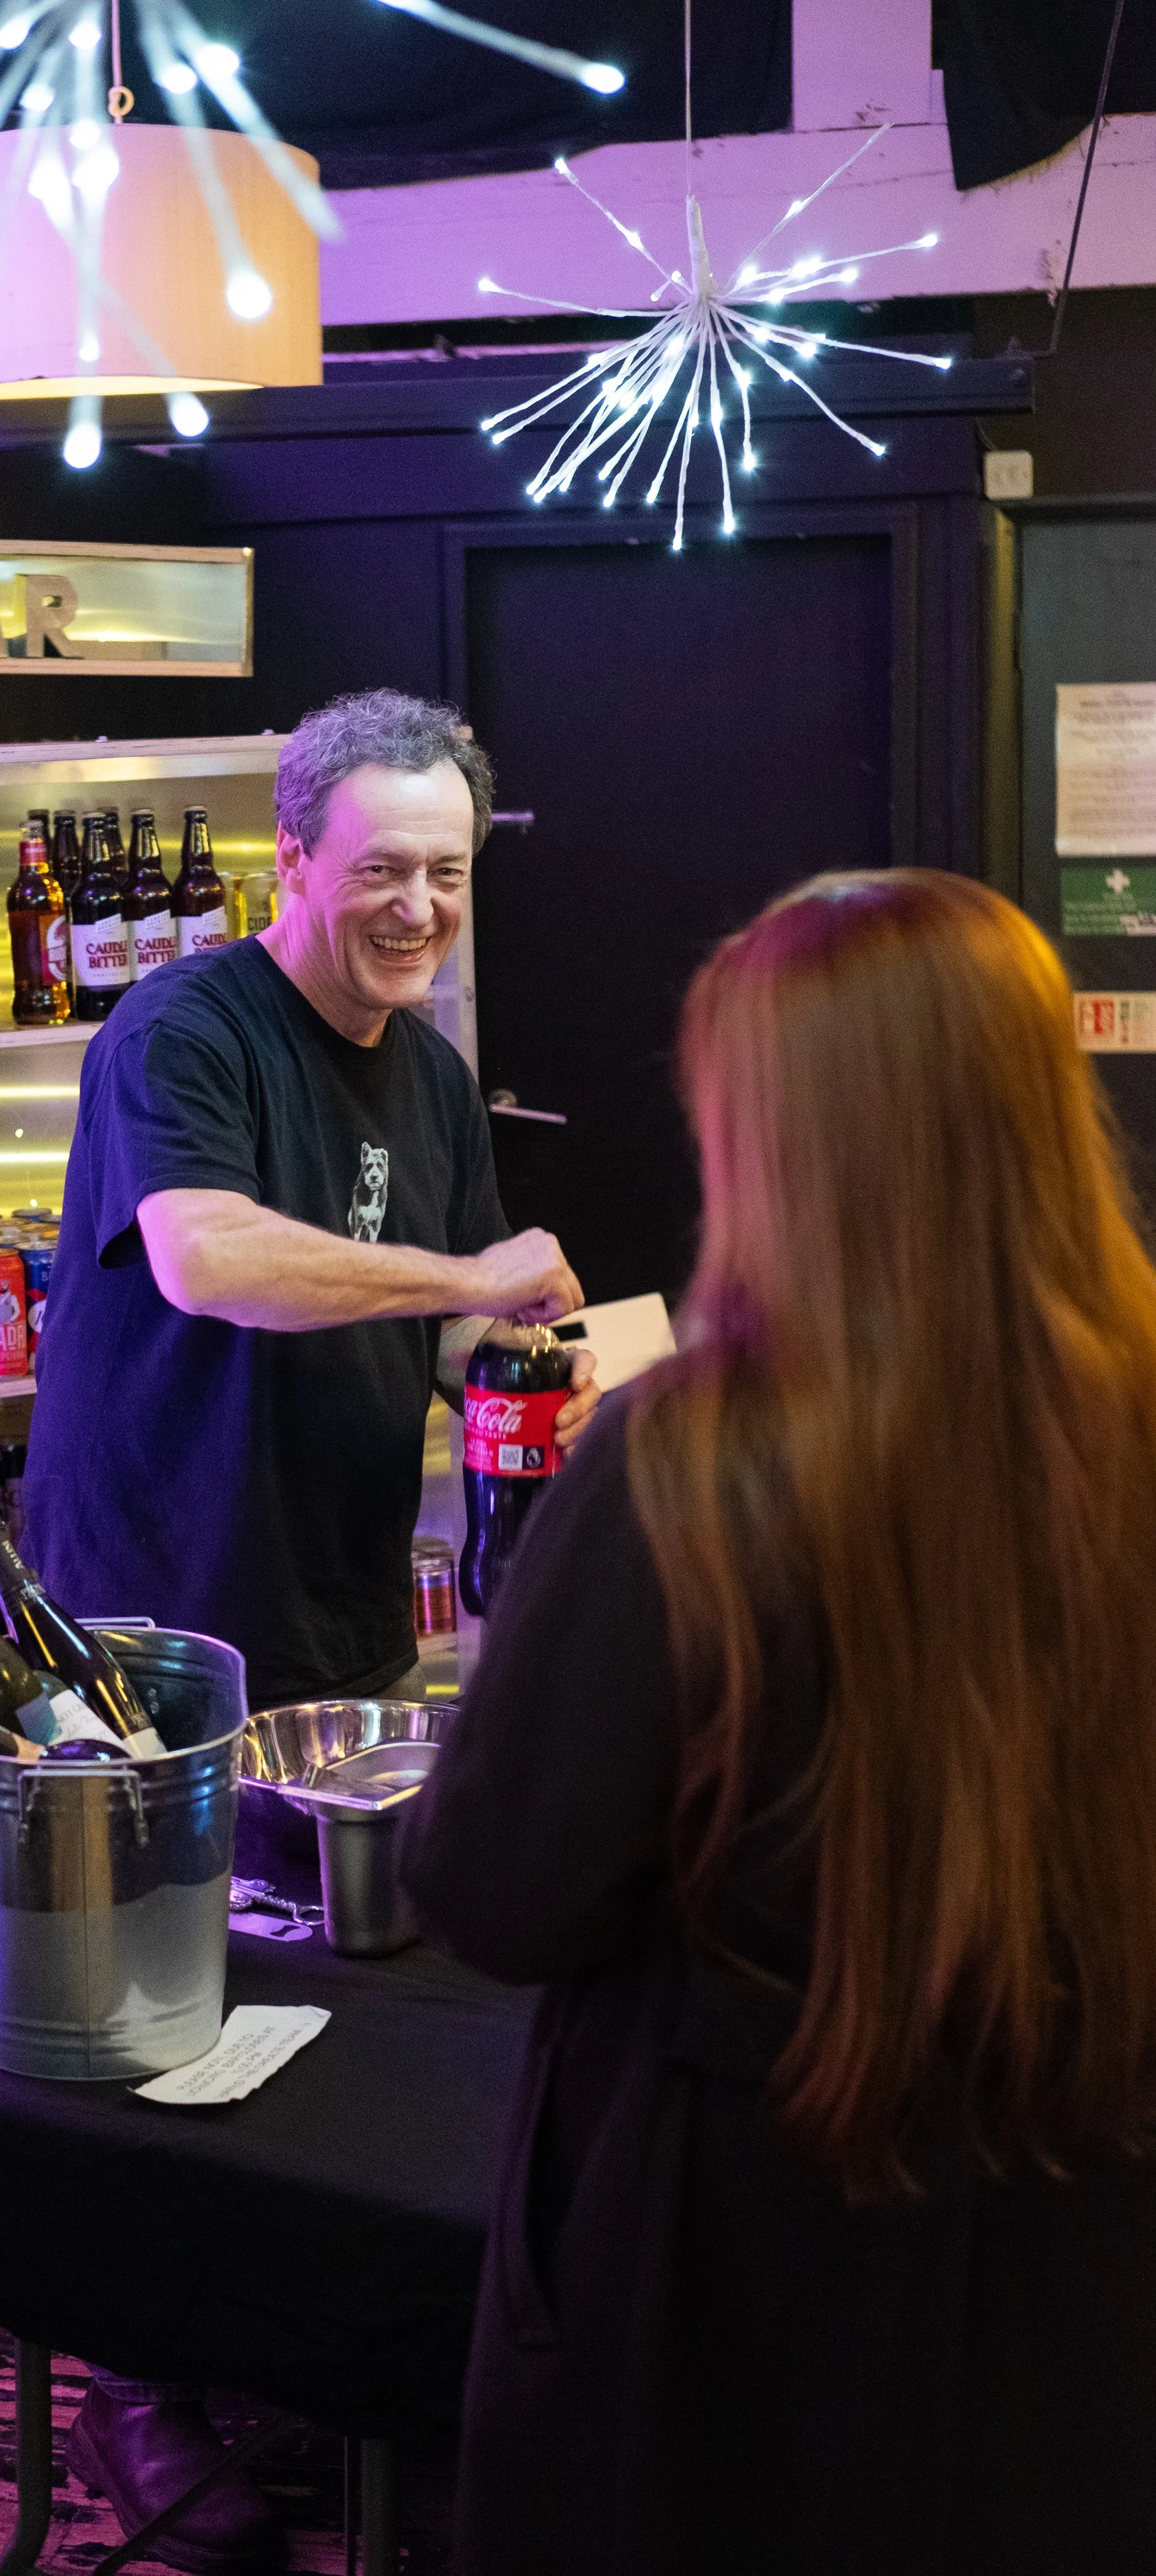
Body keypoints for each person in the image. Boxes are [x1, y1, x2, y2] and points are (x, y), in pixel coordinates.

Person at [403, 869, 1156, 2576]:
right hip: (1084, 2206)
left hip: (737, 2252)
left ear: (778, 1145)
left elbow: (497, 1888)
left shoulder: (684, 1461)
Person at [21, 689, 598, 2572]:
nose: (417, 907)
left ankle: (275, 2349)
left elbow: (439, 1326)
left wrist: (542, 1355)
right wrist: (463, 1273)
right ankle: (132, 2382)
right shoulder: (185, 1026)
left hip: (338, 1603)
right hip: (150, 1608)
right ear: (293, 857)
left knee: (308, 2011)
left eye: (444, 872)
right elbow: (204, 1253)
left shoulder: (428, 1074)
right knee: (133, 2010)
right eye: (381, 871)